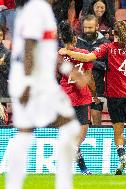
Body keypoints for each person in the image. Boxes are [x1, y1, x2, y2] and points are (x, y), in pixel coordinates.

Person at [59, 20, 126, 175]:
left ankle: (122, 158)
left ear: (113, 34)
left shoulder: (108, 48)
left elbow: (88, 58)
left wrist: (68, 52)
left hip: (114, 96)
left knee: (118, 131)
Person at [6, 0, 84, 189]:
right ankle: (63, 184)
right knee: (70, 127)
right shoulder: (37, 8)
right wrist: (28, 83)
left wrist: (68, 69)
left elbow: (45, 51)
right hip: (34, 82)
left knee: (25, 134)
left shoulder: (37, 9)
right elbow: (29, 47)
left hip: (33, 80)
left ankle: (12, 183)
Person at [58, 21, 99, 175]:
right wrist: (94, 95)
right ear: (75, 39)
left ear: (62, 39)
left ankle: (78, 166)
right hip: (81, 98)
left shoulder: (59, 56)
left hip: (65, 98)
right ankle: (82, 168)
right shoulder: (84, 55)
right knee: (81, 133)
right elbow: (89, 79)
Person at [76, 14, 110, 125]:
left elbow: (108, 64)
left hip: (98, 84)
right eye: (85, 28)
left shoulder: (105, 43)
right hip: (79, 86)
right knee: (81, 122)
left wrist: (89, 61)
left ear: (97, 26)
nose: (87, 30)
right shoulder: (77, 42)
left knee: (96, 121)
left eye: (90, 28)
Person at [0, 26, 11, 99]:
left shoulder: (7, 53)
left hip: (1, 93)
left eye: (0, 35)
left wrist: (2, 65)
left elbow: (9, 74)